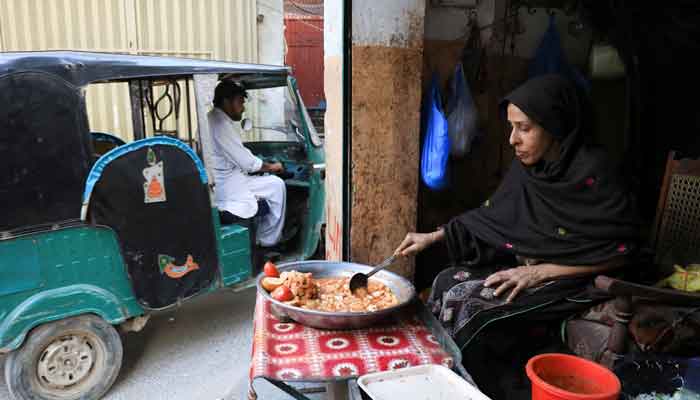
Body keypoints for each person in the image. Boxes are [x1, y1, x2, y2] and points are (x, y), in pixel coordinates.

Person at [395, 75, 641, 396]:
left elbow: (621, 251)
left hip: (576, 277)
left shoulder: (595, 173)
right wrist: (434, 236)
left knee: (470, 307)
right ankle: (448, 380)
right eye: (512, 127)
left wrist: (539, 272)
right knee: (446, 281)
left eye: (524, 128)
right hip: (533, 266)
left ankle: (473, 389)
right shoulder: (531, 168)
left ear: (555, 126)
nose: (513, 139)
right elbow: (492, 216)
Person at [207, 80, 286, 247]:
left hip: (221, 184)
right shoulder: (221, 124)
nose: (243, 108)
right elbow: (247, 163)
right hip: (230, 188)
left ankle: (261, 237)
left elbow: (237, 155)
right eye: (240, 102)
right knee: (276, 185)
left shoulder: (211, 119)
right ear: (227, 101)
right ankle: (267, 241)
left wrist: (258, 164)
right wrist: (272, 167)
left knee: (270, 185)